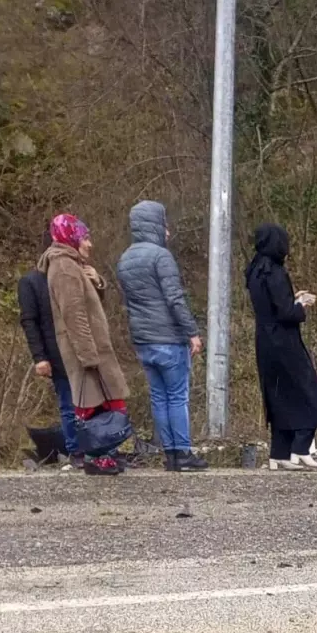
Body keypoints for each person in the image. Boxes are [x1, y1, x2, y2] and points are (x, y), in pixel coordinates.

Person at [116, 201, 207, 472]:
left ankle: (169, 454)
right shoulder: (160, 257)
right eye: (164, 224)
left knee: (158, 397)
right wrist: (192, 332)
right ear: (155, 225)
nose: (168, 231)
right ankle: (183, 453)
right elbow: (174, 299)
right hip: (168, 338)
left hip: (144, 340)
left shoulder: (125, 259)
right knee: (177, 396)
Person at [40, 214, 131, 476]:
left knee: (106, 402)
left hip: (92, 347)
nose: (90, 244)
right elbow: (74, 314)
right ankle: (96, 456)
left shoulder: (74, 265)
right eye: (85, 238)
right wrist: (88, 355)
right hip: (86, 350)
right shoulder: (64, 267)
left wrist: (96, 280)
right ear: (71, 238)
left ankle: (107, 453)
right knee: (93, 405)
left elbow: (90, 304)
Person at [245, 223, 317, 471]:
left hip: (264, 340)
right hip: (284, 342)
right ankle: (300, 448)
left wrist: (292, 299)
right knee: (309, 392)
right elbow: (286, 313)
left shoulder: (254, 270)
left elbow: (271, 306)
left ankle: (279, 453)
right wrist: (302, 304)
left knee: (278, 396)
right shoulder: (275, 272)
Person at [18, 226, 105, 469]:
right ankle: (76, 450)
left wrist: (96, 283)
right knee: (69, 403)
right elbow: (29, 321)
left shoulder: (79, 273)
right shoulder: (32, 282)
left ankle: (96, 449)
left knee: (94, 403)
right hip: (57, 353)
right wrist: (39, 357)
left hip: (86, 348)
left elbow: (95, 312)